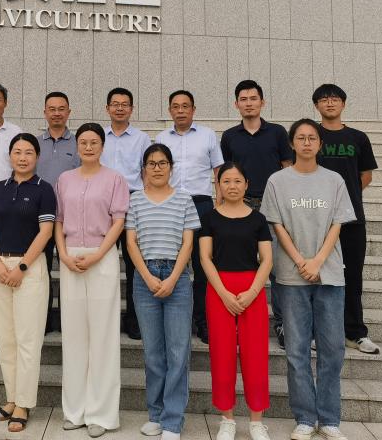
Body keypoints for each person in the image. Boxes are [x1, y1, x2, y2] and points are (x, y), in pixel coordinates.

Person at [261, 120, 356, 440]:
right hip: (291, 276)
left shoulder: (334, 180)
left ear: (319, 144)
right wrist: (301, 261)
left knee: (332, 349)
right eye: (300, 138)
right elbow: (277, 226)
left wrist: (317, 261)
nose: (306, 142)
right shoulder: (278, 181)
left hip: (329, 275)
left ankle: (329, 418)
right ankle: (304, 417)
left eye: (311, 138)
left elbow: (337, 224)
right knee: (296, 350)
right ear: (291, 143)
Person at [54, 122, 129, 437]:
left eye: (94, 142)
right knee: (74, 336)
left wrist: (98, 254)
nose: (88, 147)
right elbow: (58, 220)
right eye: (83, 142)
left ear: (102, 146)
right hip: (70, 258)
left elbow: (119, 221)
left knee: (103, 336)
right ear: (77, 146)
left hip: (102, 257)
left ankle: (102, 413)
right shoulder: (64, 179)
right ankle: (74, 410)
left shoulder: (115, 179)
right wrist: (63, 254)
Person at [0, 132, 57, 433]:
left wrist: (22, 266)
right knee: (7, 339)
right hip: (0, 267)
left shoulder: (44, 189)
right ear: (10, 155)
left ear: (37, 157)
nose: (22, 157)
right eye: (17, 151)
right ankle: (11, 398)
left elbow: (46, 232)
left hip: (30, 269)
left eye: (28, 152)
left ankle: (24, 404)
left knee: (28, 340)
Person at [126, 143, 201, 440]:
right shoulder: (135, 200)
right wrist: (147, 277)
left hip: (177, 278)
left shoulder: (184, 199)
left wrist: (172, 278)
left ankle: (172, 420)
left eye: (162, 163)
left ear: (171, 167)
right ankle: (156, 414)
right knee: (153, 352)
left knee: (178, 351)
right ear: (144, 169)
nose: (157, 168)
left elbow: (188, 243)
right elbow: (130, 242)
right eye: (151, 163)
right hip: (144, 277)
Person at [199, 163, 273, 440]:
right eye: (226, 181)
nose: (232, 186)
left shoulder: (258, 219)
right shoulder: (210, 218)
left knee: (256, 355)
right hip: (219, 289)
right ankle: (227, 419)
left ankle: (256, 421)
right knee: (222, 354)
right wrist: (223, 293)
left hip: (252, 289)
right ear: (218, 185)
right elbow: (205, 258)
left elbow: (267, 259)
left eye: (237, 181)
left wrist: (253, 292)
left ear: (246, 184)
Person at [219, 80, 293, 346]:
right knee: (241, 265)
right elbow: (224, 175)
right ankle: (240, 322)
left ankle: (283, 324)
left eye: (253, 98)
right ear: (236, 104)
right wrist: (220, 205)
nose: (249, 103)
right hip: (241, 206)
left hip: (272, 206)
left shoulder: (277, 133)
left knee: (277, 268)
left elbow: (288, 168)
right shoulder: (230, 136)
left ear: (262, 102)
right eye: (243, 99)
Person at [313, 83, 380, 355]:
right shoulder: (310, 135)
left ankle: (355, 333)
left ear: (343, 103)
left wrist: (344, 198)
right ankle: (320, 332)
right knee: (317, 276)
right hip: (317, 218)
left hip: (352, 218)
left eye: (335, 99)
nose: (330, 103)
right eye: (324, 99)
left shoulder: (358, 138)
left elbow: (366, 175)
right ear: (316, 105)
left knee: (352, 276)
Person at [154, 90, 223, 344]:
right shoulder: (161, 138)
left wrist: (219, 204)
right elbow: (154, 172)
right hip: (170, 205)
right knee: (173, 263)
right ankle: (175, 321)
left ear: (193, 109)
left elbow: (218, 171)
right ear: (170, 110)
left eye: (185, 106)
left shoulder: (208, 135)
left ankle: (203, 322)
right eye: (176, 106)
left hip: (201, 204)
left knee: (202, 264)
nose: (180, 110)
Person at [101, 87, 151, 340]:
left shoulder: (142, 139)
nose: (119, 108)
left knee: (135, 265)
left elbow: (146, 172)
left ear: (132, 109)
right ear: (107, 108)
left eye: (124, 104)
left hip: (133, 202)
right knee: (103, 263)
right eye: (115, 104)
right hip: (102, 204)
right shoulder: (98, 136)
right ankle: (105, 321)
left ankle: (135, 321)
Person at [37, 90, 80, 334]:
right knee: (41, 270)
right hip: (39, 217)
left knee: (68, 269)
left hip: (69, 217)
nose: (56, 113)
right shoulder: (35, 143)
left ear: (69, 112)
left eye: (61, 109)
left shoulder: (79, 143)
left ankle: (67, 322)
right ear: (44, 112)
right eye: (51, 109)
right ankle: (42, 320)